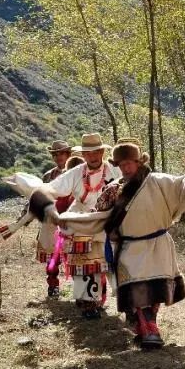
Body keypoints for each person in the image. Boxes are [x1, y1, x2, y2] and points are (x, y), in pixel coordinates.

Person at [90, 141, 185, 349]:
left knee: (156, 290)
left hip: (159, 244)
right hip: (130, 248)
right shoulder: (112, 190)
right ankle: (149, 330)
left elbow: (184, 186)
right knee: (138, 292)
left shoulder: (159, 181)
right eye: (122, 165)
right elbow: (98, 215)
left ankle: (147, 328)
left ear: (138, 161)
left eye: (129, 163)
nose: (126, 168)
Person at [45, 133, 121, 317]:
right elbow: (53, 188)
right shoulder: (76, 173)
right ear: (83, 155)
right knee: (85, 263)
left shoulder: (114, 171)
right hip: (82, 220)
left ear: (102, 152)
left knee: (118, 264)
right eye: (88, 153)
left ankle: (128, 303)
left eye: (96, 152)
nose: (92, 157)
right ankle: (88, 304)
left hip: (109, 220)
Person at [37, 140, 72, 299]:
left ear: (68, 154)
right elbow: (38, 197)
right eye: (55, 154)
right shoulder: (48, 176)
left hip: (73, 219)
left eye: (62, 153)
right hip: (52, 220)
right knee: (53, 257)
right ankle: (53, 286)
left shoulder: (77, 172)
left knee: (79, 255)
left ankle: (81, 291)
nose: (58, 157)